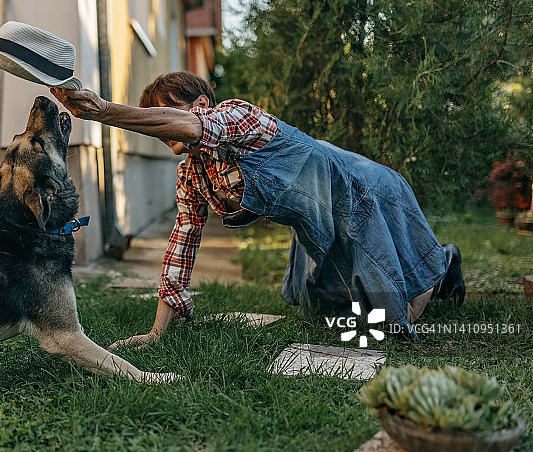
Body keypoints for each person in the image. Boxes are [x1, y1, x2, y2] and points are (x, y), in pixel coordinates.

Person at [50, 71, 466, 349]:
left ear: (200, 102)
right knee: (327, 312)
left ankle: (442, 262)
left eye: (167, 109)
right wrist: (157, 332)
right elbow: (182, 246)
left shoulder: (238, 115)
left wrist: (105, 112)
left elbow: (197, 127)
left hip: (363, 190)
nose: (160, 127)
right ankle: (427, 267)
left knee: (394, 323)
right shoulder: (192, 175)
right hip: (312, 217)